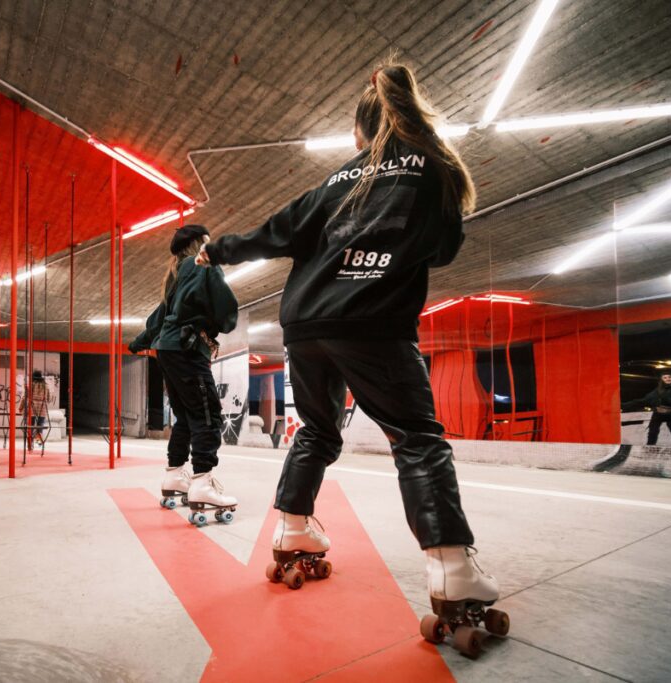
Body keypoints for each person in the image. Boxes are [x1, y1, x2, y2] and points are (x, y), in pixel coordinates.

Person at [196, 61, 499, 607]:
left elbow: (273, 233)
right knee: (416, 437)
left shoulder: (335, 182)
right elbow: (446, 249)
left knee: (316, 429)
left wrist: (216, 250)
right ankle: (452, 565)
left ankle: (292, 528)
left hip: (307, 324)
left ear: (360, 133)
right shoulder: (434, 169)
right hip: (374, 321)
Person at [129, 225, 240, 520]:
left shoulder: (175, 275)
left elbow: (157, 320)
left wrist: (137, 344)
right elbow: (226, 306)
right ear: (199, 242)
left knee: (187, 418)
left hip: (167, 350)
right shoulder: (203, 264)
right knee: (208, 414)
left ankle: (175, 475)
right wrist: (224, 322)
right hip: (188, 349)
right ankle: (202, 483)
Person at [623, 373, 671, 445]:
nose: (668, 379)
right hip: (658, 414)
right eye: (665, 377)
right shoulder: (658, 390)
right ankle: (649, 449)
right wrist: (625, 405)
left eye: (669, 377)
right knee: (652, 433)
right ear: (661, 380)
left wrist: (666, 400)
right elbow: (644, 400)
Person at [22, 370, 50, 446]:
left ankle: (30, 440)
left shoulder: (30, 385)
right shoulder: (45, 386)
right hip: (42, 408)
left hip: (31, 407)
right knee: (40, 424)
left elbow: (25, 397)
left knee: (30, 424)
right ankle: (38, 438)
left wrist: (21, 407)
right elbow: (48, 399)